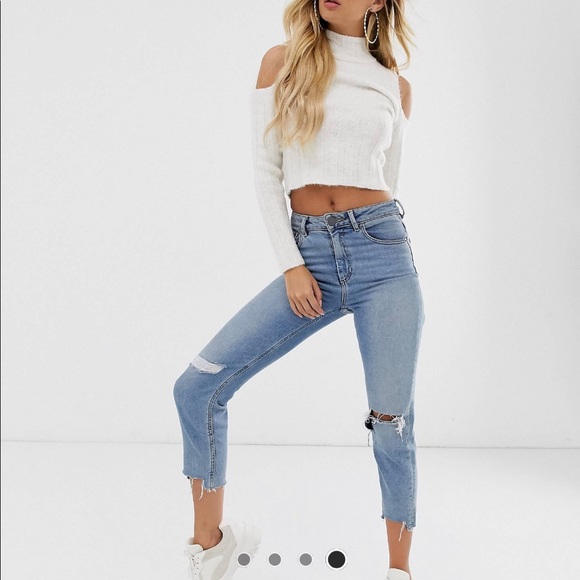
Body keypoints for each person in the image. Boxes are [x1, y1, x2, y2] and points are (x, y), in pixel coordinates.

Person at [173, 1, 424, 579]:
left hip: (383, 257)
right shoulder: (282, 62)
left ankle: (399, 571)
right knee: (197, 388)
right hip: (308, 255)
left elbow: (388, 180)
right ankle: (211, 546)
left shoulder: (395, 85)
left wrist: (366, 243)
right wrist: (292, 264)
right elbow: (267, 172)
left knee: (392, 425)